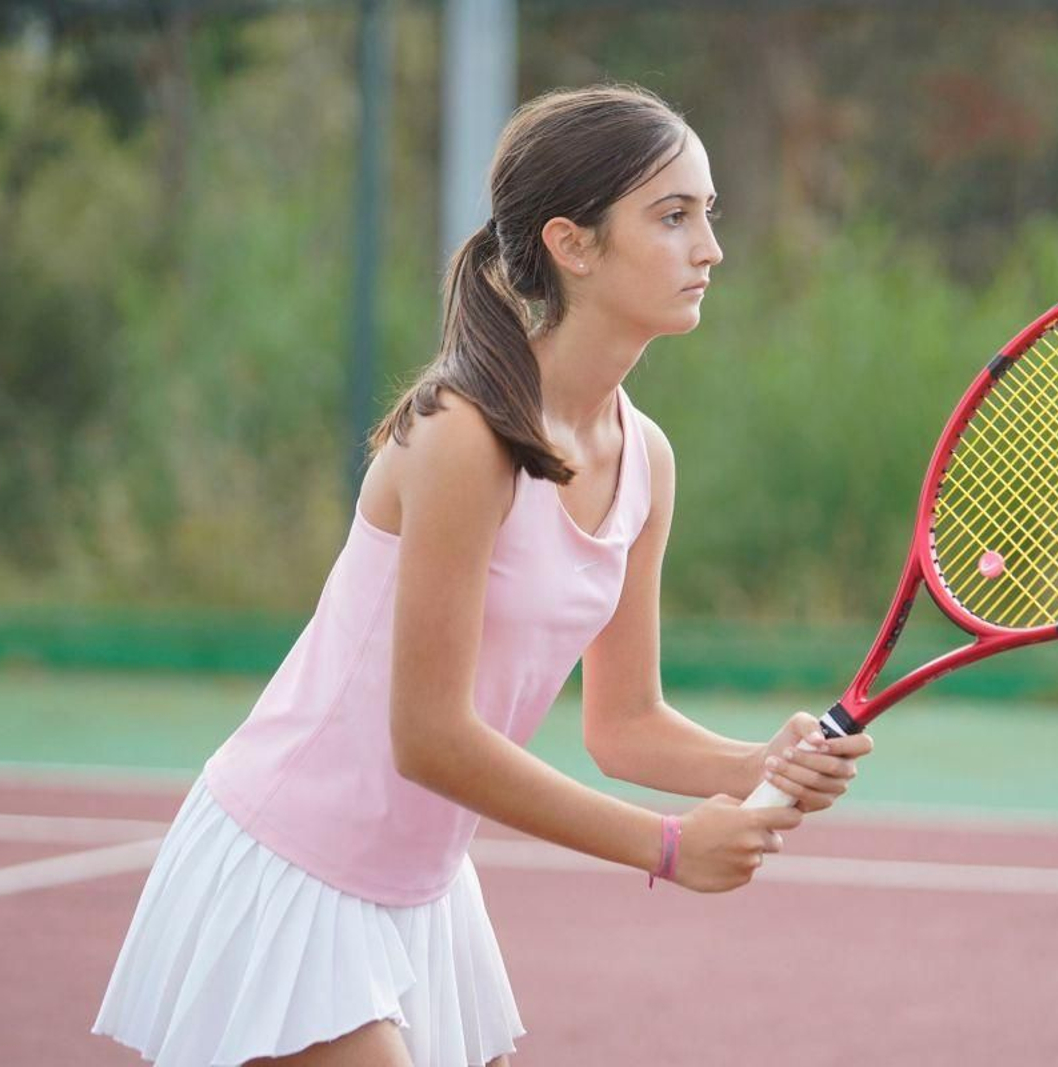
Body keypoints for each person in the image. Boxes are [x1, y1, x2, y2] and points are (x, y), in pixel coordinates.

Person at [92, 82, 874, 1067]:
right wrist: (669, 847)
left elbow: (622, 721)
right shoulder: (461, 434)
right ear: (572, 243)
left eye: (706, 215)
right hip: (288, 865)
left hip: (420, 888)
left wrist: (755, 764)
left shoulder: (646, 458)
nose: (709, 247)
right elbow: (429, 738)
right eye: (673, 217)